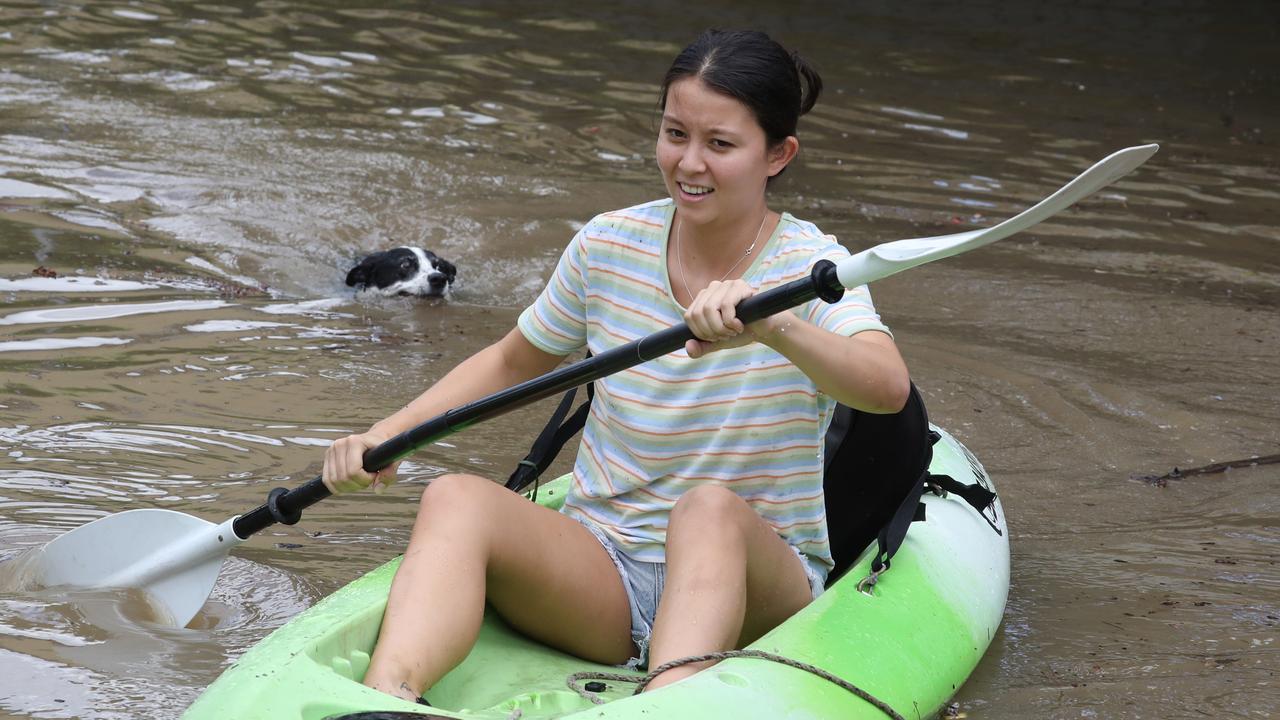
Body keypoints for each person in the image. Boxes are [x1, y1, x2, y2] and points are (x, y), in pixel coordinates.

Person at [322, 28, 910, 703]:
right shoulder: (606, 243)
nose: (690, 163)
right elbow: (513, 359)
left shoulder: (811, 269)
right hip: (604, 566)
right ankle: (388, 703)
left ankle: (669, 700)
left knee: (708, 510)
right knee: (453, 496)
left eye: (720, 144)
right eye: (674, 134)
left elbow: (886, 387)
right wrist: (387, 434)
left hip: (751, 585)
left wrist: (776, 326)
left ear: (778, 154)